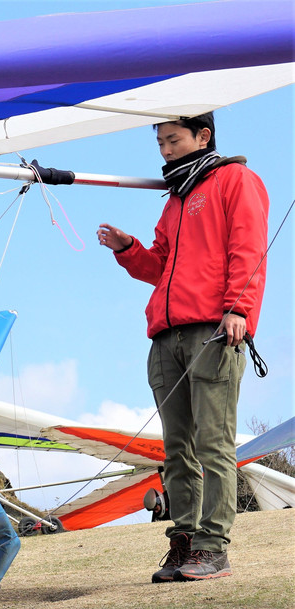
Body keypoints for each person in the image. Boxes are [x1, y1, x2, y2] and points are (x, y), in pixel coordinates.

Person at [97, 112, 268, 582]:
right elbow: (160, 267)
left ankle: (214, 548)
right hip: (165, 335)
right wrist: (127, 247)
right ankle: (186, 540)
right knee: (177, 449)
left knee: (213, 442)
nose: (166, 150)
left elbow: (249, 249)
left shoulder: (236, 179)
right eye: (160, 144)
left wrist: (240, 310)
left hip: (214, 330)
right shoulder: (174, 200)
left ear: (203, 135)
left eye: (173, 140)